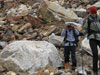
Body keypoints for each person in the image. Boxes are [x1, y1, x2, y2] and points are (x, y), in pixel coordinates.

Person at [80, 6, 100, 75]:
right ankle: (95, 71)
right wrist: (82, 33)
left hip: (99, 37)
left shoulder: (99, 18)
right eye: (92, 13)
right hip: (92, 38)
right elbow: (85, 28)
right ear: (90, 13)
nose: (93, 14)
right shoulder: (88, 20)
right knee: (95, 54)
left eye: (94, 13)